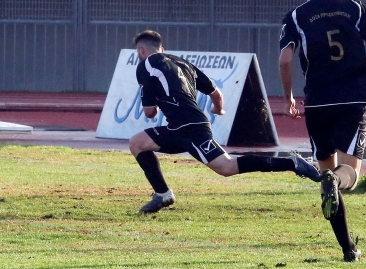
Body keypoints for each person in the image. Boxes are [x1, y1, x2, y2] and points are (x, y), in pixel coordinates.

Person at [129, 30, 321, 214]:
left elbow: (149, 112)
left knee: (227, 167)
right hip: (184, 126)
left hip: (189, 128)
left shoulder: (145, 66)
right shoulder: (183, 63)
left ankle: (292, 163)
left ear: (141, 51)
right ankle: (162, 194)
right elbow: (216, 94)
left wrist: (158, 103)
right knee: (138, 143)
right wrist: (218, 109)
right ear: (162, 49)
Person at [278, 0, 366, 262]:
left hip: (317, 102)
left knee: (328, 172)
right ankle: (333, 182)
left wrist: (287, 98)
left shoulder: (297, 16)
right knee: (348, 176)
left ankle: (348, 250)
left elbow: (285, 58)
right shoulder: (353, 8)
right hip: (352, 99)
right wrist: (363, 77)